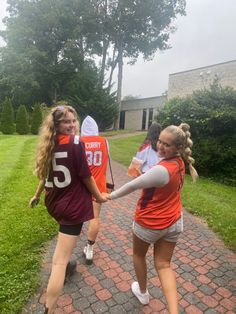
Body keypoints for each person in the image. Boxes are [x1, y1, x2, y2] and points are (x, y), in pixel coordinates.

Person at [107, 123, 198, 314]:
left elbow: (132, 186)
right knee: (164, 265)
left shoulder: (161, 170)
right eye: (159, 141)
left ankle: (143, 292)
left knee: (138, 255)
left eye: (167, 144)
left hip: (149, 223)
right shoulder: (180, 163)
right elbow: (155, 182)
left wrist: (108, 196)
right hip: (173, 221)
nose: (160, 146)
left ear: (178, 148)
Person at [29, 105, 106, 314]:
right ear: (57, 124)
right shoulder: (75, 143)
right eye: (66, 122)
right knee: (58, 262)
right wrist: (98, 196)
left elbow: (44, 175)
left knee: (64, 249)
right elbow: (86, 176)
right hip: (71, 207)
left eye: (73, 121)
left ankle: (68, 264)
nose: (72, 125)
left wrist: (37, 195)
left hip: (55, 203)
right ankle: (49, 309)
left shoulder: (50, 144)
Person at [80, 115, 109, 264]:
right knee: (95, 217)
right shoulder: (104, 141)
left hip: (81, 187)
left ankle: (67, 247)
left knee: (75, 218)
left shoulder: (79, 141)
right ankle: (90, 248)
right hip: (98, 186)